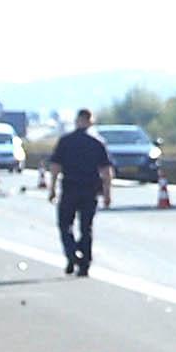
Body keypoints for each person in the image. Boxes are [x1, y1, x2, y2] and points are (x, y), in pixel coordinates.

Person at [49, 115, 114, 275]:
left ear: (77, 121)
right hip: (90, 190)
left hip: (70, 188)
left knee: (65, 225)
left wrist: (52, 188)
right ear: (90, 122)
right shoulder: (97, 142)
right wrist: (107, 194)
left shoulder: (65, 141)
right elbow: (106, 171)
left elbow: (56, 166)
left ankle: (72, 254)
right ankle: (84, 264)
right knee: (86, 228)